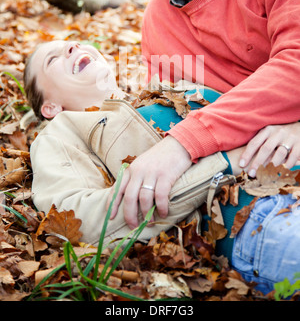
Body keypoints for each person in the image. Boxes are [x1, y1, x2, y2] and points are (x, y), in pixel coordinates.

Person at [111, 0, 300, 292]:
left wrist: (185, 143)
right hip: (256, 193)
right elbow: (174, 107)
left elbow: (295, 64)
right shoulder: (157, 23)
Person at [24, 40, 300, 294]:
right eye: (52, 59)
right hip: (259, 219)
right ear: (49, 107)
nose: (72, 47)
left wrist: (292, 125)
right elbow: (79, 220)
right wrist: (222, 163)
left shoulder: (164, 90)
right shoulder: (59, 134)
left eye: (73, 43)